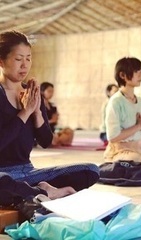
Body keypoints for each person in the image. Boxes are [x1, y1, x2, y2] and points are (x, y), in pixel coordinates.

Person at [0, 30, 99, 204]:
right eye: (18, 59)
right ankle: (41, 192)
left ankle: (33, 191)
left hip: (29, 173)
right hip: (3, 174)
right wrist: (25, 112)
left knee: (90, 170)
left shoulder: (32, 94)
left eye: (28, 58)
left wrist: (36, 111)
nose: (25, 65)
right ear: (1, 61)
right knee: (3, 183)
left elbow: (46, 141)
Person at [40, 81, 74, 146]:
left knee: (69, 131)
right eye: (49, 91)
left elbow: (55, 122)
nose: (51, 93)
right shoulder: (39, 105)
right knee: (54, 139)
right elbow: (39, 122)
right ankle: (54, 141)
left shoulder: (52, 106)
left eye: (52, 91)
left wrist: (55, 120)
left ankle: (56, 140)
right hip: (44, 132)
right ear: (42, 91)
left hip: (52, 131)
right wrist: (51, 120)